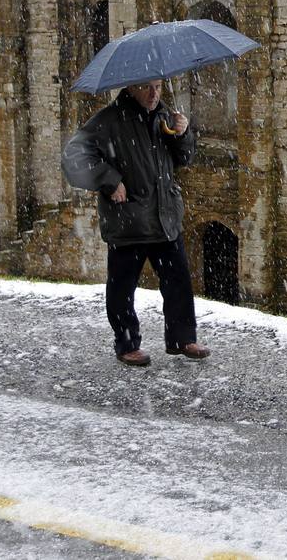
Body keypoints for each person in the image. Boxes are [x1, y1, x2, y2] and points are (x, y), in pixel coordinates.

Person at [62, 78, 210, 364]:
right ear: (130, 87)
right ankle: (127, 344)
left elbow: (184, 158)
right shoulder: (109, 120)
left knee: (178, 281)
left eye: (158, 86)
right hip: (128, 219)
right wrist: (109, 180)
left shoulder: (165, 116)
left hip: (164, 216)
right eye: (146, 87)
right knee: (122, 287)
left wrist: (183, 135)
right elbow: (73, 158)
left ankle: (183, 339)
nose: (154, 93)